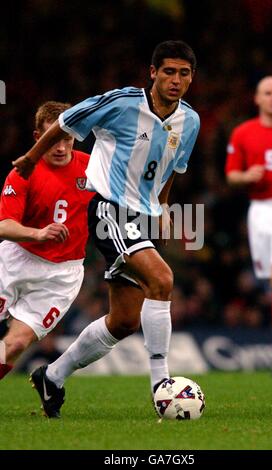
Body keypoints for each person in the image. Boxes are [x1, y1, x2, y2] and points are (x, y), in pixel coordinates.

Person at [13, 40, 200, 418]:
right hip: (108, 209)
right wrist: (32, 160)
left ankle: (52, 375)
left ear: (191, 77)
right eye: (168, 71)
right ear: (153, 73)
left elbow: (170, 172)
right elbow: (66, 122)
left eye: (183, 73)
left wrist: (162, 208)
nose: (175, 80)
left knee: (125, 321)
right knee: (162, 280)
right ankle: (162, 387)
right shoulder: (122, 103)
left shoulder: (189, 122)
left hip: (141, 217)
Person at [0, 101, 93, 398]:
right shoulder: (23, 171)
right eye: (51, 138)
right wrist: (37, 233)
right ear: (37, 136)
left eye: (66, 137)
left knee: (14, 345)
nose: (61, 146)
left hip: (61, 275)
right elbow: (4, 224)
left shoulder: (93, 167)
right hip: (17, 258)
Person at [225, 76, 272, 377]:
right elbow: (231, 176)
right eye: (267, 93)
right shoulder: (243, 133)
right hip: (259, 210)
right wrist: (246, 177)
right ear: (257, 99)